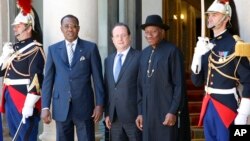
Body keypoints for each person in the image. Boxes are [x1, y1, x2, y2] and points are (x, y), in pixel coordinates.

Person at [191, 0, 250, 140]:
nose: (210, 18)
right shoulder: (207, 45)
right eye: (208, 14)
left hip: (226, 107)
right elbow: (197, 81)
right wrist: (197, 55)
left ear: (226, 18)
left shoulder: (236, 45)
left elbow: (249, 81)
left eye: (215, 14)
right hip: (208, 105)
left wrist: (243, 114)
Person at [41, 14, 105, 141]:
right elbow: (48, 80)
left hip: (85, 106)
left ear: (78, 28)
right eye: (66, 26)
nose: (70, 29)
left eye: (73, 26)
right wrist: (45, 107)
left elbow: (98, 79)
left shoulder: (90, 48)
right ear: (61, 29)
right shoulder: (53, 50)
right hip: (61, 106)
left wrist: (100, 104)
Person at [135, 14, 188, 141]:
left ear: (162, 32)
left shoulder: (172, 51)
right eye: (147, 32)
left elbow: (179, 85)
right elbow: (140, 86)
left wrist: (173, 111)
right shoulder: (144, 53)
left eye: (153, 31)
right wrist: (140, 112)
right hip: (148, 115)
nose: (149, 35)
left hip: (166, 113)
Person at [0, 1, 45, 140]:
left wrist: (29, 104)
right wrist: (4, 56)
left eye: (18, 26)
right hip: (10, 97)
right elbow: (1, 72)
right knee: (15, 135)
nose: (15, 29)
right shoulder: (15, 49)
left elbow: (36, 79)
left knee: (26, 137)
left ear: (28, 28)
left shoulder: (35, 50)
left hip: (24, 99)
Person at [104, 23, 142, 141]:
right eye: (117, 36)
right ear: (112, 39)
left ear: (130, 37)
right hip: (114, 118)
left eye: (123, 35)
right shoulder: (108, 60)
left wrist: (142, 113)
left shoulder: (139, 57)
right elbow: (108, 88)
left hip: (134, 117)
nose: (120, 39)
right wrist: (107, 113)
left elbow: (143, 88)